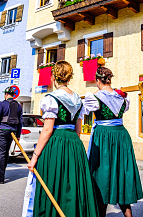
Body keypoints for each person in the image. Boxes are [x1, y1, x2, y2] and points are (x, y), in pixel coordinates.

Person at [25, 61, 99, 217]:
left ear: (53, 77)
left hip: (57, 143)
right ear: (69, 78)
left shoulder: (51, 98)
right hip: (74, 144)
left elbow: (47, 129)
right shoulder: (79, 99)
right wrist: (74, 147)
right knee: (73, 183)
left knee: (54, 182)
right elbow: (78, 129)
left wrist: (35, 156)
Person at [83, 66, 143, 217]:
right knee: (121, 173)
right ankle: (128, 214)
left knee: (102, 174)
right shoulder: (121, 96)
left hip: (103, 136)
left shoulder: (94, 96)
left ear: (98, 81)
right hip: (121, 136)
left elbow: (85, 110)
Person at [0, 86, 23, 184]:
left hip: (2, 130)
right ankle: (1, 174)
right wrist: (18, 134)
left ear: (6, 94)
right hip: (12, 131)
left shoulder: (2, 104)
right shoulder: (18, 106)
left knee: (1, 153)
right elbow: (20, 122)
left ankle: (0, 177)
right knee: (6, 152)